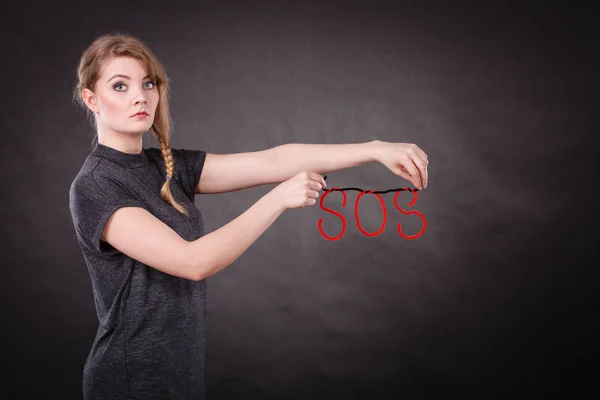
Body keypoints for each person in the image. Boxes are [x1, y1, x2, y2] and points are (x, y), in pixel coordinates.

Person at [69, 33, 428, 400]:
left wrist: (375, 149)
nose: (139, 96)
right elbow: (193, 261)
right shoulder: (96, 185)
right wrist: (277, 200)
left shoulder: (166, 166)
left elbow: (275, 160)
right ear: (91, 99)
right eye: (120, 86)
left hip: (179, 375)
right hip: (130, 381)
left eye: (148, 83)